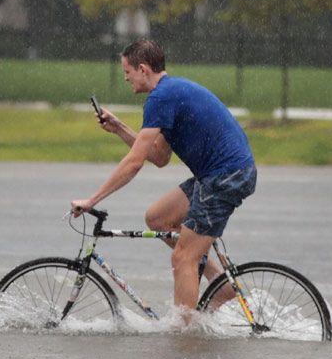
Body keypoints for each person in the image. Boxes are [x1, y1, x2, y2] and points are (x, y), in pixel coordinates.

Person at [71, 39, 256, 324]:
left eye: (127, 71)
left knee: (183, 258)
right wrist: (119, 128)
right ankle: (220, 284)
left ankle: (183, 336)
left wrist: (92, 200)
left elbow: (134, 163)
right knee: (157, 218)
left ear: (143, 69)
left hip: (226, 176)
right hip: (219, 174)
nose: (125, 77)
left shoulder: (161, 97)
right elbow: (158, 156)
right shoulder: (167, 94)